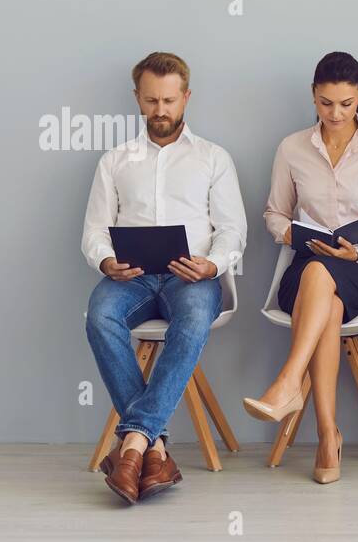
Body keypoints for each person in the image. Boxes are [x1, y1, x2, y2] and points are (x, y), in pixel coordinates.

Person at [83, 52, 248, 504]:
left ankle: (133, 444)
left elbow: (233, 229)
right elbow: (94, 230)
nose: (160, 110)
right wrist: (106, 261)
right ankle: (151, 448)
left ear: (186, 97)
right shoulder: (115, 160)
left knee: (191, 320)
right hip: (132, 277)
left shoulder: (213, 158)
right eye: (152, 100)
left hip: (191, 277)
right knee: (100, 316)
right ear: (138, 98)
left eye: (169, 101)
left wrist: (212, 264)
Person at [243, 52, 358, 484]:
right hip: (307, 265)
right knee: (323, 291)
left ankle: (289, 384)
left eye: (346, 104)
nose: (336, 113)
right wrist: (291, 234)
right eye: (326, 103)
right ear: (313, 96)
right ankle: (328, 435)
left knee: (323, 278)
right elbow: (274, 213)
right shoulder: (292, 148)